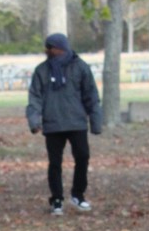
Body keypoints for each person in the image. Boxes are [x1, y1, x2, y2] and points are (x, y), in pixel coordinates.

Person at [26, 32, 102, 215]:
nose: (47, 51)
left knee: (82, 157)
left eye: (50, 48)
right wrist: (34, 121)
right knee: (55, 163)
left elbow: (91, 95)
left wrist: (96, 122)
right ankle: (57, 199)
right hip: (53, 124)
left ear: (60, 48)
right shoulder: (42, 70)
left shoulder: (80, 67)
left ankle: (78, 194)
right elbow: (35, 97)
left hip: (77, 122)